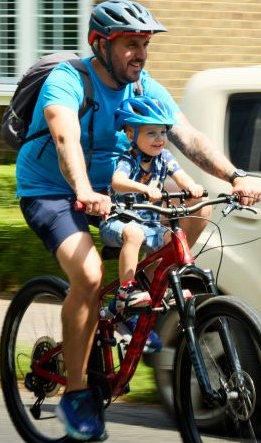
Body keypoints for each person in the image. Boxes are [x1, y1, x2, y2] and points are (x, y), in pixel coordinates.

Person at [14, 1, 261, 440]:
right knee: (89, 276)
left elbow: (188, 137)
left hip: (114, 192)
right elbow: (64, 133)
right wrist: (83, 189)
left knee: (198, 208)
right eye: (131, 44)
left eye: (145, 44)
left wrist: (235, 176)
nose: (141, 55)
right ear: (99, 44)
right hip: (51, 190)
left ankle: (134, 301)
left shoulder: (144, 87)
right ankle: (76, 395)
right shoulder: (68, 80)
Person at [101, 96, 203, 312]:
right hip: (119, 222)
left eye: (163, 132)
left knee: (173, 240)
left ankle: (164, 286)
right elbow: (117, 181)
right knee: (134, 233)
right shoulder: (128, 159)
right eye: (151, 133)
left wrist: (193, 187)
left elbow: (181, 176)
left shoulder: (164, 157)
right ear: (131, 135)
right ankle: (126, 291)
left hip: (150, 225)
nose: (159, 138)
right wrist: (144, 188)